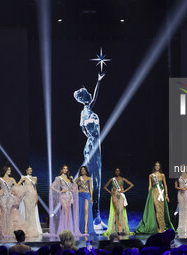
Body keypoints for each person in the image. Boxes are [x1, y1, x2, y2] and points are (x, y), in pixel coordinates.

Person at [74, 73, 105, 228]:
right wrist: (92, 137)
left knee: (97, 182)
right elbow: (84, 130)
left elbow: (95, 95)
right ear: (83, 99)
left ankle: (96, 217)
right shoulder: (85, 112)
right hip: (92, 148)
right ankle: (92, 218)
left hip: (94, 147)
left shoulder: (86, 110)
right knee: (93, 182)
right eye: (86, 96)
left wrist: (98, 80)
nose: (89, 97)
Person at [0, 166, 37, 238]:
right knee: (4, 213)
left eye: (10, 169)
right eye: (8, 169)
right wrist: (0, 192)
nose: (10, 171)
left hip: (10, 199)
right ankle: (3, 231)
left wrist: (13, 191)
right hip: (3, 199)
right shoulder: (0, 179)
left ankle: (9, 231)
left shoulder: (12, 179)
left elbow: (17, 186)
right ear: (5, 170)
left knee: (10, 214)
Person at [135, 162, 175, 234]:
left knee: (161, 211)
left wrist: (166, 195)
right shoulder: (151, 175)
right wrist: (149, 195)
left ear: (160, 167)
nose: (157, 167)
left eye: (158, 166)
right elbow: (150, 185)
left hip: (161, 193)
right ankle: (159, 228)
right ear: (154, 166)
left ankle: (162, 228)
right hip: (154, 192)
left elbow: (165, 185)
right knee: (156, 210)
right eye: (156, 165)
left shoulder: (162, 175)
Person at [49, 165, 81, 235]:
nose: (65, 170)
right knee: (66, 211)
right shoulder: (59, 178)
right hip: (62, 196)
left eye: (66, 168)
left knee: (68, 212)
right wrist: (59, 191)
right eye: (64, 168)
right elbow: (52, 187)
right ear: (61, 170)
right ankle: (66, 229)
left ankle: (66, 228)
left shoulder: (70, 178)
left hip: (69, 196)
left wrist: (71, 190)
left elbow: (75, 186)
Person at [103, 168, 134, 236]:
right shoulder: (112, 179)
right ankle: (117, 229)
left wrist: (124, 190)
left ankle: (121, 228)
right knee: (117, 211)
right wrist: (110, 192)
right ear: (115, 172)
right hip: (114, 196)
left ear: (120, 172)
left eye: (118, 170)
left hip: (121, 196)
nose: (117, 171)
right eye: (116, 170)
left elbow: (131, 184)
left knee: (121, 211)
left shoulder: (123, 179)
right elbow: (105, 187)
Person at [18, 166, 42, 235]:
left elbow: (35, 189)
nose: (30, 171)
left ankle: (33, 229)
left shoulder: (34, 178)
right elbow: (18, 184)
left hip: (33, 196)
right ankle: (27, 229)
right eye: (29, 170)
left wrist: (37, 197)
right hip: (27, 197)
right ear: (26, 171)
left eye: (31, 169)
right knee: (27, 213)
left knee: (32, 213)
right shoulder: (24, 178)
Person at [75, 166, 95, 235]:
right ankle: (80, 228)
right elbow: (72, 187)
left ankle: (86, 228)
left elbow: (91, 188)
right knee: (81, 212)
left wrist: (91, 197)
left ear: (86, 171)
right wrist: (77, 190)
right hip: (80, 196)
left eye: (84, 169)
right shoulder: (77, 179)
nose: (83, 171)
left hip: (87, 195)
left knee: (87, 210)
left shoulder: (89, 178)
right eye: (81, 170)